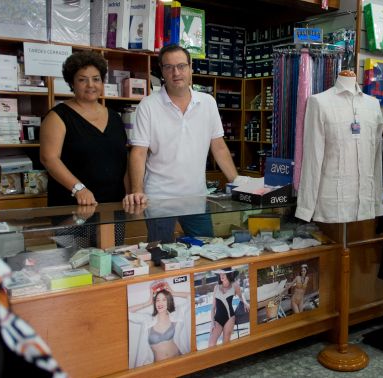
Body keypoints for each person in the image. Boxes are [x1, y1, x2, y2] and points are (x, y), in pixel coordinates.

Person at [123, 44, 247, 242]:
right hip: (159, 199)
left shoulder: (207, 102)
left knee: (205, 251)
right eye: (169, 67)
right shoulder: (148, 105)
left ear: (190, 68)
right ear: (162, 71)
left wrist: (237, 182)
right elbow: (138, 152)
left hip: (196, 196)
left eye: (181, 66)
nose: (176, 72)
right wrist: (137, 190)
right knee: (161, 252)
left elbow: (219, 146)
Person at [40, 50, 128, 245]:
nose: (91, 85)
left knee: (112, 264)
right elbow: (49, 158)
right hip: (74, 207)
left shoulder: (114, 117)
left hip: (111, 207)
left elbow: (123, 161)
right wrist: (78, 188)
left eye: (96, 79)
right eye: (83, 80)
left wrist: (131, 194)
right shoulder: (58, 116)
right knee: (75, 266)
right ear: (72, 83)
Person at [128, 281, 190, 367]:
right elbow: (127, 313)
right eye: (157, 300)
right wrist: (148, 302)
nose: (160, 303)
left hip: (178, 360)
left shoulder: (175, 315)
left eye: (164, 300)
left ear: (168, 301)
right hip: (159, 368)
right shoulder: (148, 320)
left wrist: (173, 292)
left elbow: (192, 297)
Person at [208, 268, 249, 347]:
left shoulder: (234, 285)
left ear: (229, 274)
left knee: (225, 344)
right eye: (220, 273)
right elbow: (213, 307)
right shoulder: (216, 287)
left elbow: (241, 296)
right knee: (211, 344)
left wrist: (245, 303)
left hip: (229, 318)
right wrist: (212, 322)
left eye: (224, 274)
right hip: (217, 319)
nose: (221, 276)